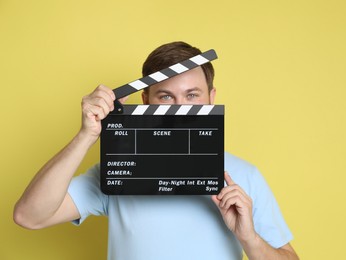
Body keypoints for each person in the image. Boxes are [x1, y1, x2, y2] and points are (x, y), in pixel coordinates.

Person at [14, 41, 299, 260]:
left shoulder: (244, 176)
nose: (179, 109)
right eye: (166, 96)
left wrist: (249, 238)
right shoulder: (118, 171)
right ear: (146, 100)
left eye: (192, 95)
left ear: (211, 99)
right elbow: (29, 216)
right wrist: (86, 136)